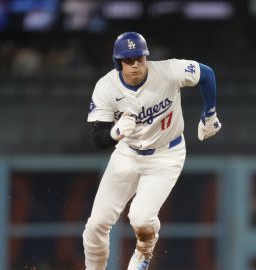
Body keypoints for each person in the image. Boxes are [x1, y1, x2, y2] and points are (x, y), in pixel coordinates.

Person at [83, 32, 221, 270]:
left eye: (139, 57)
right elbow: (98, 139)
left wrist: (209, 114)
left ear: (146, 57)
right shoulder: (106, 87)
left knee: (141, 218)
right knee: (96, 225)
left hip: (166, 155)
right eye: (128, 60)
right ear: (119, 63)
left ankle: (144, 253)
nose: (135, 64)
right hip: (127, 153)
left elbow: (206, 74)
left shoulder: (167, 71)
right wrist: (115, 133)